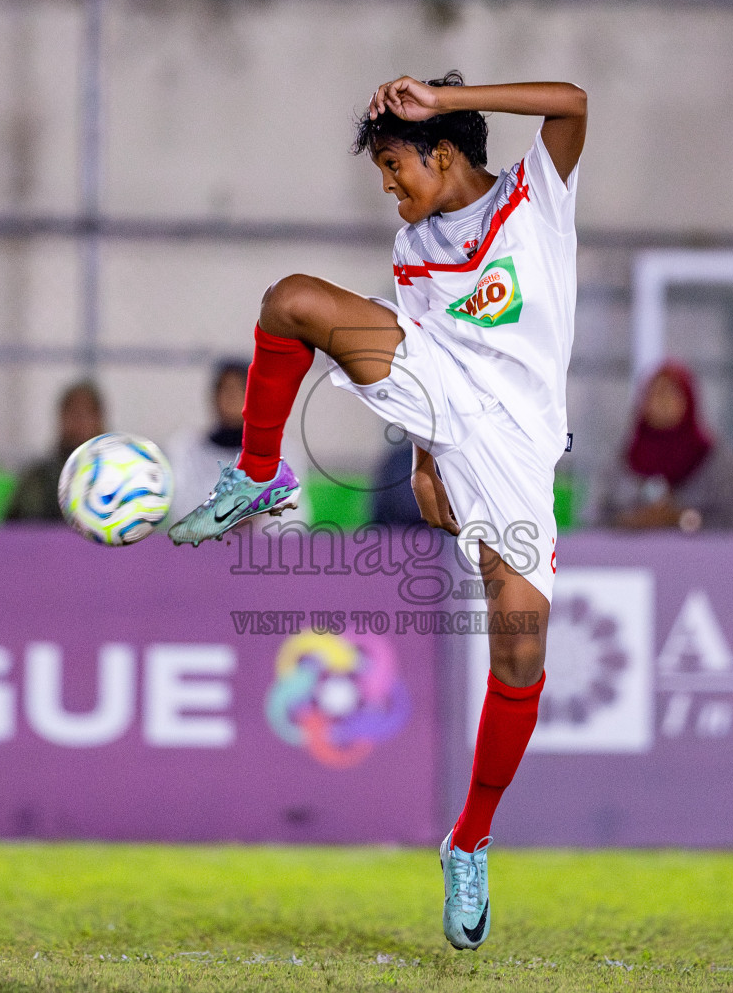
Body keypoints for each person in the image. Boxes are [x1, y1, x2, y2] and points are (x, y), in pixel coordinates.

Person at [165, 71, 586, 950]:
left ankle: (468, 840)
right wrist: (427, 457)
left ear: (439, 149)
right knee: (291, 300)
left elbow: (573, 100)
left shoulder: (533, 194)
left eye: (396, 168)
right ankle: (257, 472)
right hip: (440, 403)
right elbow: (427, 345)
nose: (389, 188)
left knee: (519, 653)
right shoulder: (412, 248)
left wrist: (439, 98)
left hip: (515, 448)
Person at [583, 361, 733, 531]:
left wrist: (679, 518)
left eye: (672, 393)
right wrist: (633, 521)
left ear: (689, 400)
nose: (663, 402)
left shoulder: (712, 458)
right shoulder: (624, 456)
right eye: (655, 393)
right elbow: (595, 518)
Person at [5, 380, 105, 523]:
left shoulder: (119, 477)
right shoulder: (38, 479)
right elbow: (10, 533)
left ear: (99, 420)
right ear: (61, 418)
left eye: (87, 413)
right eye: (73, 413)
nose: (79, 422)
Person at [164, 363, 247, 524]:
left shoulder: (282, 451)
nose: (233, 397)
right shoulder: (185, 448)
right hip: (201, 547)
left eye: (241, 389)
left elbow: (292, 518)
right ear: (213, 396)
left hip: (257, 547)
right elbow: (180, 511)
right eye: (226, 389)